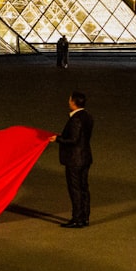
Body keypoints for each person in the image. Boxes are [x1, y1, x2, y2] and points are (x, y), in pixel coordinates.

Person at [49, 91, 93, 228]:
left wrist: (58, 139)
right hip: (85, 157)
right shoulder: (88, 116)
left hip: (75, 160)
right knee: (84, 188)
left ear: (74, 102)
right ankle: (84, 217)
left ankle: (77, 218)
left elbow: (73, 140)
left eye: (69, 99)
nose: (68, 101)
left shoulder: (76, 119)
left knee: (75, 189)